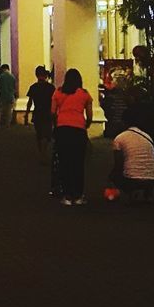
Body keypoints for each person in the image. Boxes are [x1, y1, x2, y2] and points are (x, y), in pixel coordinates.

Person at [51, 68, 94, 205]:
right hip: (78, 129)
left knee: (64, 162)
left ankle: (67, 195)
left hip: (62, 128)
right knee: (78, 162)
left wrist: (57, 124)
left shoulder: (58, 92)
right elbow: (90, 114)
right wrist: (86, 124)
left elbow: (52, 112)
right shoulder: (85, 94)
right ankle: (79, 195)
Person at [108, 110, 154, 203]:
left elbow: (118, 164)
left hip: (132, 179)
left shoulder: (120, 138)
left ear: (124, 122)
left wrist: (111, 177)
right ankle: (149, 194)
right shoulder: (147, 136)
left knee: (116, 176)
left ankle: (131, 193)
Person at [25, 66, 55, 158]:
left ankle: (41, 151)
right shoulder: (51, 87)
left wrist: (26, 114)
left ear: (36, 75)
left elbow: (30, 102)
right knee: (47, 134)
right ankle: (44, 150)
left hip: (37, 112)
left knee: (39, 134)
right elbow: (55, 101)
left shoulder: (33, 87)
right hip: (48, 112)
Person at [0, 63, 18, 127]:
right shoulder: (12, 77)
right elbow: (14, 87)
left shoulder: (1, 76)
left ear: (3, 69)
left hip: (3, 96)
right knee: (9, 111)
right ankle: (7, 124)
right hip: (10, 96)